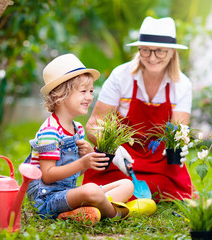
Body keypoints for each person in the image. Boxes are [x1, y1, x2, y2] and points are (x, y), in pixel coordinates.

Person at [83, 16, 193, 201]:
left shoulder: (182, 84)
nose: (152, 58)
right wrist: (113, 149)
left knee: (167, 188)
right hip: (122, 159)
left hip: (159, 161)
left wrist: (180, 145)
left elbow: (179, 130)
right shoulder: (121, 76)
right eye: (146, 51)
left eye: (160, 52)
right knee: (106, 183)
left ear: (172, 52)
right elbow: (94, 124)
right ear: (139, 49)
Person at [24, 53, 133, 224]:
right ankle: (115, 213)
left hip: (67, 195)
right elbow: (48, 176)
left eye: (90, 91)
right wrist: (83, 163)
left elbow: (74, 173)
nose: (89, 97)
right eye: (83, 91)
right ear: (61, 95)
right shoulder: (49, 131)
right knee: (91, 191)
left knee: (127, 185)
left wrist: (87, 159)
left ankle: (81, 212)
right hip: (47, 200)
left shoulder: (77, 129)